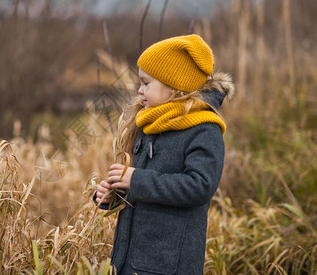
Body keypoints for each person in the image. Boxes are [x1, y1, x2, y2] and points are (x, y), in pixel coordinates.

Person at [94, 34, 234, 275]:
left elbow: (200, 186)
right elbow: (142, 187)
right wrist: (114, 194)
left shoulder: (204, 129)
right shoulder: (152, 123)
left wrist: (135, 179)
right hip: (129, 260)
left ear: (174, 86)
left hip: (169, 266)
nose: (139, 90)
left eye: (146, 83)